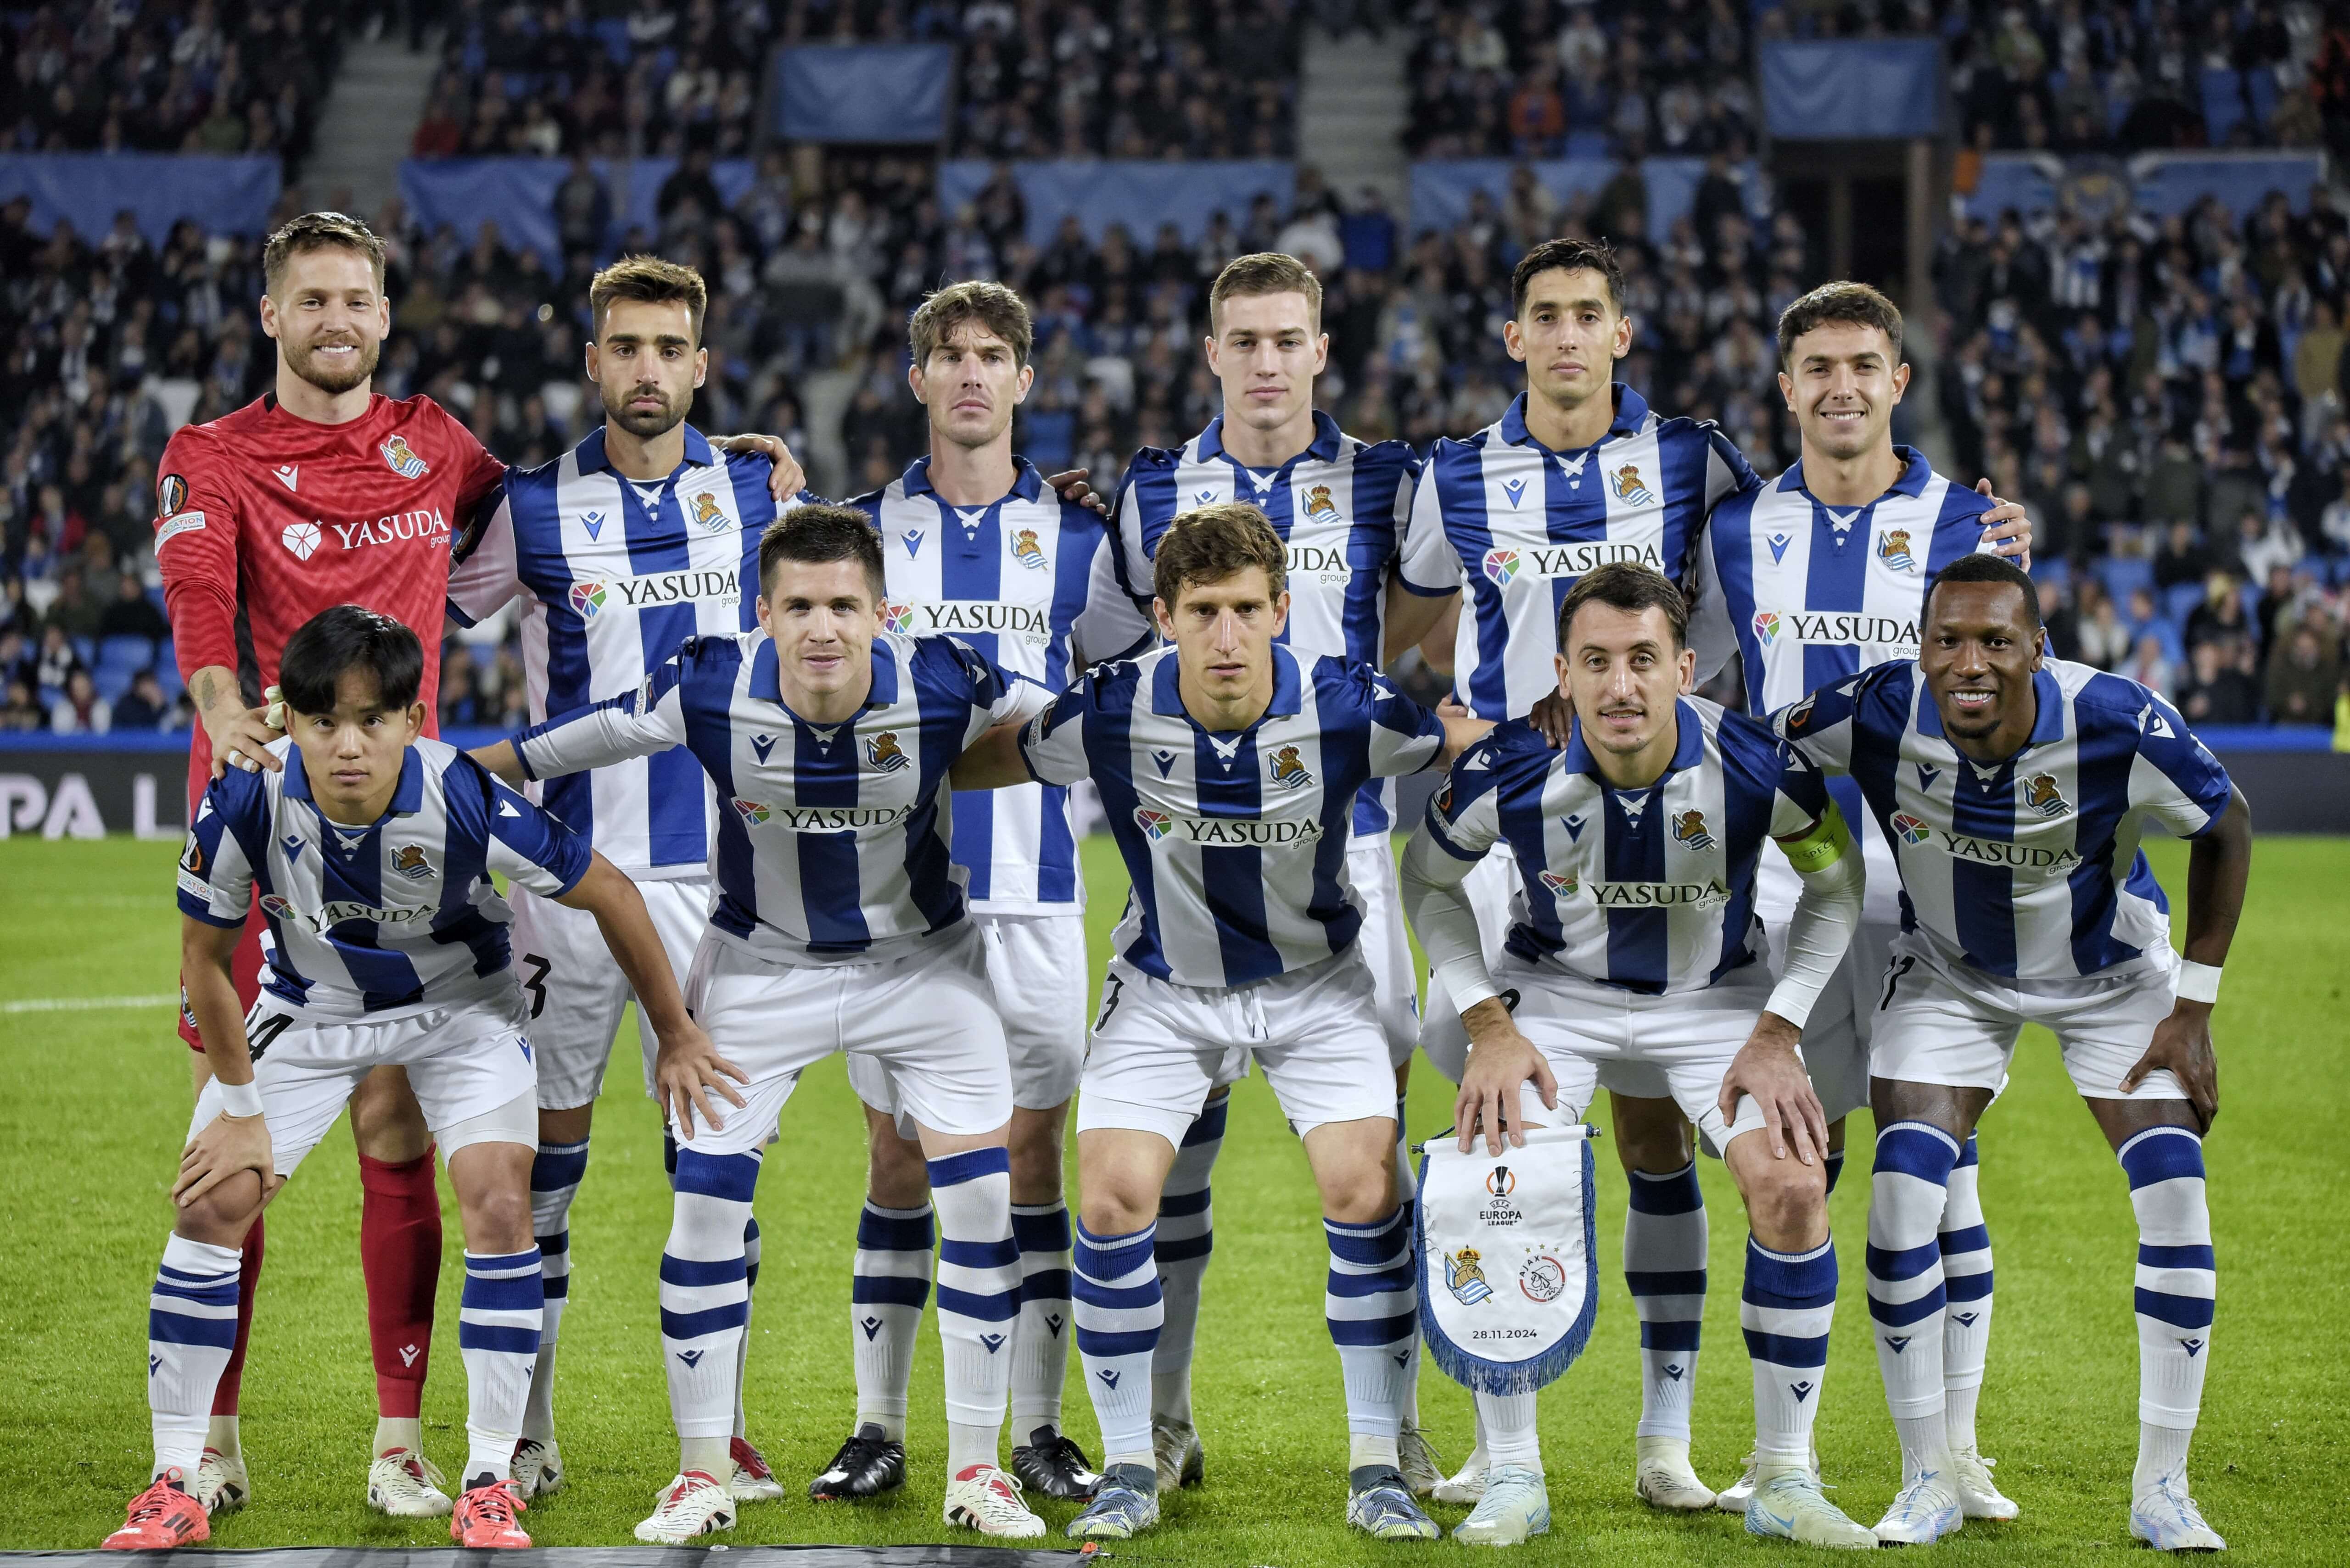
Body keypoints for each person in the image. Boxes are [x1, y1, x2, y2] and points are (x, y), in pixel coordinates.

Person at [151, 210, 803, 1517]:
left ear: (384, 319)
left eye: (359, 300)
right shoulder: (211, 453)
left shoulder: (440, 446)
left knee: (411, 1124)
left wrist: (718, 454)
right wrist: (221, 706)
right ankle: (208, 1442)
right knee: (241, 1141)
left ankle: (407, 1438)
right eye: (313, 299)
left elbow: (588, 491)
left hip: (438, 837)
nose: (338, 320)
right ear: (273, 315)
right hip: (270, 825)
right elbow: (197, 597)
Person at [1387, 239, 2034, 1510]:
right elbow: (1408, 624)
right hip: (1541, 867)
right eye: (1546, 317)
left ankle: (1929, 1447)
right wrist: (1457, 711)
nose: (1569, 336)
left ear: (1623, 335)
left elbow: (1995, 641)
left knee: (1890, 1159)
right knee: (1600, 1145)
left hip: (1791, 867)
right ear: (1514, 336)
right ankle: (1620, 1449)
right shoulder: (1455, 474)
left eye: (1591, 316)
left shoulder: (1704, 470)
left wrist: (2001, 533)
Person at [472, 504, 1057, 1544]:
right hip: (758, 971)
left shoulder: (945, 676)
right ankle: (700, 1474)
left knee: (978, 1205)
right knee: (703, 1210)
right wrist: (443, 770)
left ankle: (979, 1467)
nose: (822, 627)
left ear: (884, 611)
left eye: (844, 604)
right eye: (799, 605)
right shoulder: (708, 683)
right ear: (763, 612)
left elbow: (1084, 723)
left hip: (924, 970)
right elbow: (571, 738)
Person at [101, 605, 713, 1551]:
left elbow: (611, 891)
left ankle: (486, 1476)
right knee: (212, 1199)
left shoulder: (463, 793)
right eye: (323, 721)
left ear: (412, 716)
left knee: (500, 1205)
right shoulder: (245, 800)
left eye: (374, 720)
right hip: (310, 1011)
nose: (349, 745)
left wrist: (674, 1031)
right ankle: (175, 1475)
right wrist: (235, 1105)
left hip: (465, 1013)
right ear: (288, 722)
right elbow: (203, 957)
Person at [955, 502, 1486, 1541]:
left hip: (1316, 986)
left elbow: (1448, 743)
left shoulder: (1347, 705)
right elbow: (992, 757)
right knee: (1109, 1197)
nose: (1228, 636)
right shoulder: (1107, 709)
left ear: (1283, 610)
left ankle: (1378, 1459)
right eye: (1203, 612)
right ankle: (1125, 1465)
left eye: (1248, 609)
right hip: (1165, 987)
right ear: (1163, 616)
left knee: (1364, 1185)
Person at [1775, 553, 2250, 1550]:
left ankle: (2163, 1484)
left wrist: (2194, 1007)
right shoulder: (1871, 710)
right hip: (1950, 973)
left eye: (1996, 640)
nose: (1969, 663)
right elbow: (1759, 750)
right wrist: (1814, 859)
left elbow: (2227, 820)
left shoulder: (2116, 719)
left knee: (2175, 1192)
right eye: (1947, 640)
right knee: (1904, 1188)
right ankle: (1927, 1476)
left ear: (2038, 646)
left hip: (2113, 980)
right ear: (1921, 648)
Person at [1399, 563, 1875, 1548]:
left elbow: (1835, 890)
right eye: (1598, 663)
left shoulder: (1757, 764)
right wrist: (1489, 1022)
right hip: (1559, 999)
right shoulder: (1507, 770)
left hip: (1717, 999)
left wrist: (1779, 1028)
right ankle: (1514, 1474)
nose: (1621, 687)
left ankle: (1785, 1471)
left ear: (1684, 667)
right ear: (1563, 673)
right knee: (1496, 1173)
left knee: (1793, 1188)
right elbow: (1429, 882)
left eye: (1644, 661)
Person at [445, 255, 809, 1505]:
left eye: (670, 347)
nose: (647, 368)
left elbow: (853, 589)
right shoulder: (534, 507)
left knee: (719, 1166)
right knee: (547, 1168)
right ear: (592, 360)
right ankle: (531, 1430)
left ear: (701, 366)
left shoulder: (758, 490)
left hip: (729, 888)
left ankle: (725, 1430)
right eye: (624, 345)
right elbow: (427, 609)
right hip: (567, 885)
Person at [1687, 280, 2038, 1517]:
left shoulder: (1965, 525)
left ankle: (1953, 1454)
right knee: (1796, 1166)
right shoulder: (1736, 533)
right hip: (1794, 888)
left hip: (1935, 889)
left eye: (1864, 365)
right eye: (1817, 366)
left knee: (1942, 1170)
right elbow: (1714, 695)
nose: (1841, 385)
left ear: (1899, 381)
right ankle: (1784, 1453)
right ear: (1785, 388)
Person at [1106, 251, 1439, 1496]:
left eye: (1286, 338)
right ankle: (1166, 1420)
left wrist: (1343, 703)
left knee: (1371, 1155)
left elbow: (1429, 621)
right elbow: (1106, 650)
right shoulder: (1149, 492)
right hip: (1184, 855)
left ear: (1319, 350)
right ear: (1212, 354)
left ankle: (1392, 1426)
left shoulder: (1386, 479)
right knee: (1169, 1151)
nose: (1264, 360)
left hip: (1340, 850)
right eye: (1242, 339)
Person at [824, 280, 1152, 1505]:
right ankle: (878, 1427)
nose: (970, 375)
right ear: (916, 381)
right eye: (949, 356)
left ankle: (1035, 1430)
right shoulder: (856, 533)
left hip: (1036, 889)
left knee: (1029, 1159)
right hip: (895, 901)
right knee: (898, 1155)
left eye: (994, 356)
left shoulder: (1082, 539)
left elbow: (1125, 693)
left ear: (1025, 382)